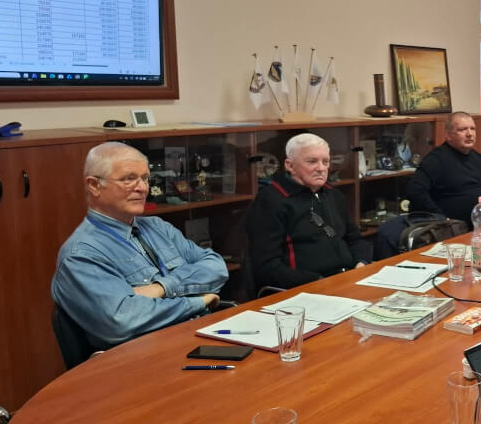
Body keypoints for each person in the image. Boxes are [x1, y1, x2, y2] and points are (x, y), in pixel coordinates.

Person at [52, 142, 228, 348]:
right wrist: (199, 300)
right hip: (147, 354)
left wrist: (160, 288)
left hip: (196, 334)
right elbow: (121, 320)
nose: (143, 188)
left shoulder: (158, 227)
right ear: (94, 185)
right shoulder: (81, 254)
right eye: (129, 179)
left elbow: (217, 266)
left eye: (145, 178)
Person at [248, 133, 371, 290]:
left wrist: (362, 263)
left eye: (325, 162)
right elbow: (266, 267)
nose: (321, 168)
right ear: (290, 166)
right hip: (304, 288)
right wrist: (317, 281)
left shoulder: (333, 195)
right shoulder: (271, 200)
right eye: (312, 162)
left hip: (347, 279)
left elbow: (355, 239)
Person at [406, 111, 481, 226]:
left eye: (472, 129)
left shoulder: (480, 159)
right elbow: (416, 192)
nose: (469, 134)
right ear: (449, 135)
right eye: (462, 130)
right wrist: (442, 219)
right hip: (451, 229)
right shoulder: (435, 160)